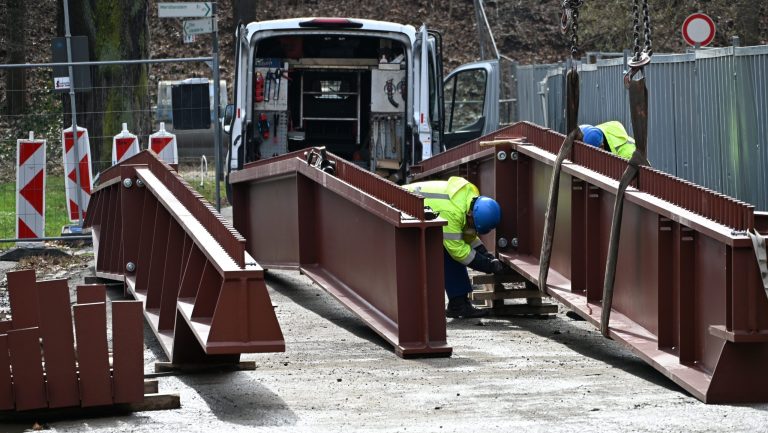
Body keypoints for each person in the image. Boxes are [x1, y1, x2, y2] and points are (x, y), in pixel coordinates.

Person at [405, 176, 509, 319]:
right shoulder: (453, 213)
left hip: (414, 212)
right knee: (450, 251)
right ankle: (458, 305)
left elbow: (469, 236)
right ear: (471, 215)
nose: (473, 228)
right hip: (400, 208)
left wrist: (489, 257)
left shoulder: (469, 202)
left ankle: (459, 304)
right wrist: (488, 266)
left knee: (452, 247)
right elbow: (458, 251)